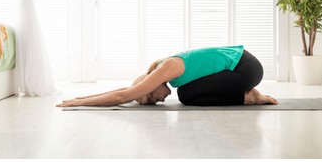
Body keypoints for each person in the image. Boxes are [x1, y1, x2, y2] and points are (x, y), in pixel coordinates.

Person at [56, 46, 277, 107]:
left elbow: (124, 95)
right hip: (240, 66)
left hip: (247, 68)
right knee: (187, 94)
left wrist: (82, 102)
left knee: (186, 95)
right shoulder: (168, 74)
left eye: (153, 98)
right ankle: (243, 95)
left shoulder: (166, 69)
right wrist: (85, 97)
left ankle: (252, 97)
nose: (160, 100)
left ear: (151, 86)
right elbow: (124, 90)